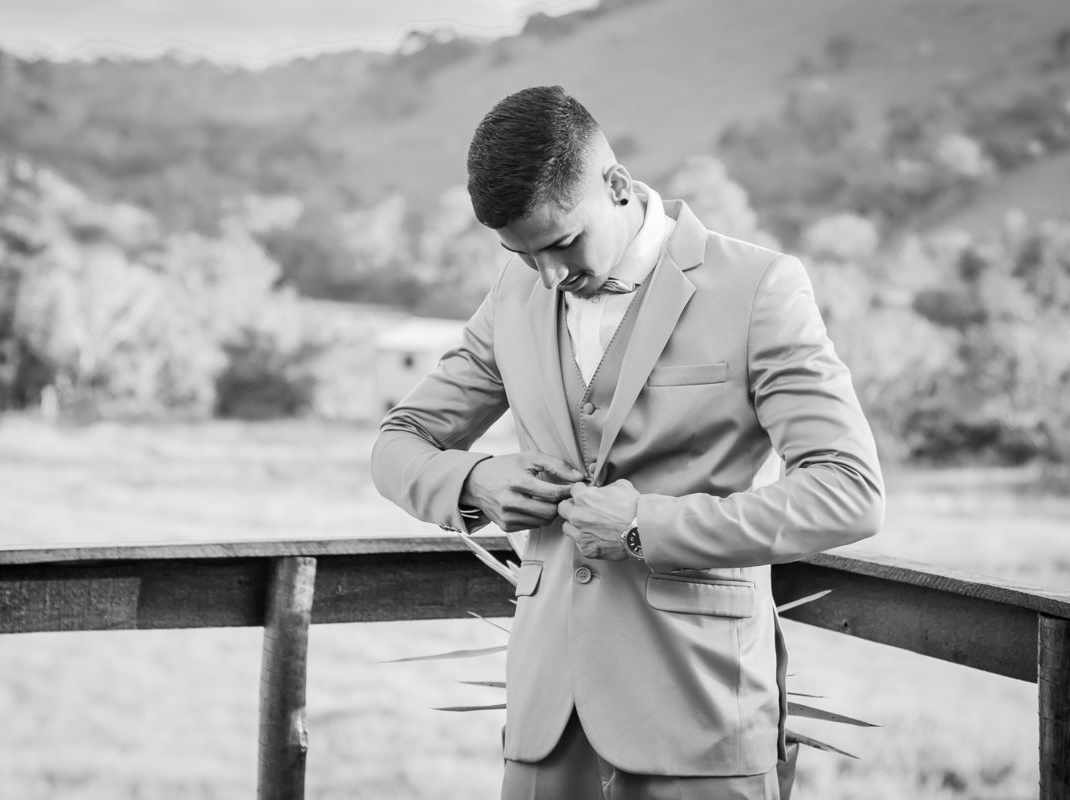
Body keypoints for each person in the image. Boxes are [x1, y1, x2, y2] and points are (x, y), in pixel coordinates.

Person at [372, 85, 884, 800]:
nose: (549, 276)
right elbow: (399, 442)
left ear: (616, 186)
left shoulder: (759, 287)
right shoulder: (513, 298)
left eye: (562, 244)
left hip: (702, 709)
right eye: (522, 255)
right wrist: (474, 483)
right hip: (546, 722)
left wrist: (645, 526)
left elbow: (848, 493)